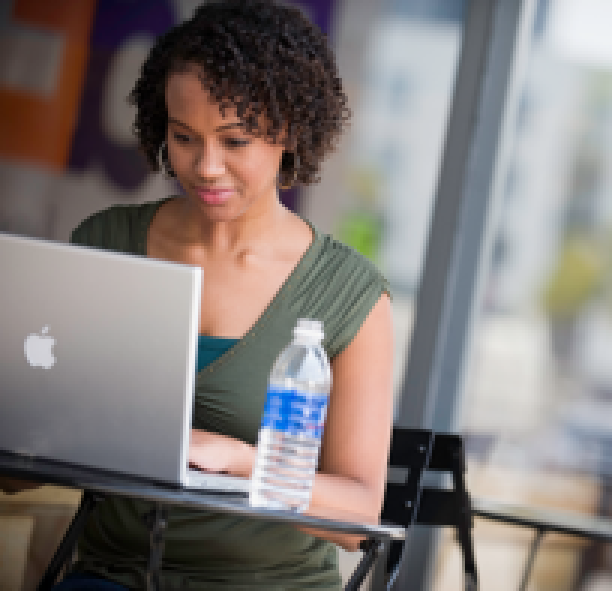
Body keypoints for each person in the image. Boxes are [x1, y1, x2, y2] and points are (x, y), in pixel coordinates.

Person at [2, 1, 394, 589]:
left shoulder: (350, 294)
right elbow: (14, 474)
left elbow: (357, 519)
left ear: (288, 131)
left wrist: (237, 459)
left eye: (235, 142)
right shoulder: (106, 242)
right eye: (184, 137)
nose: (206, 166)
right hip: (113, 576)